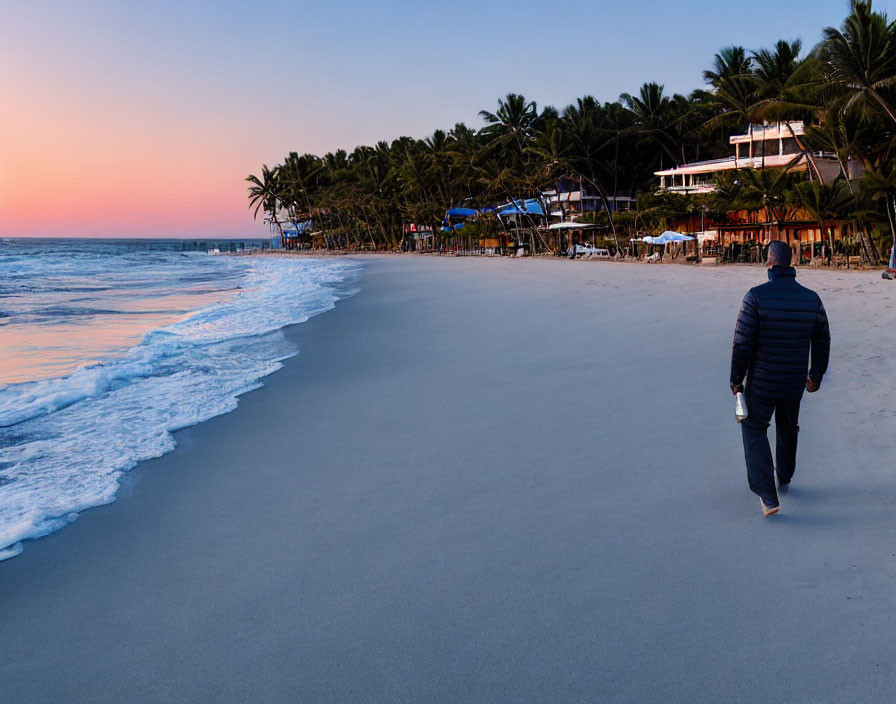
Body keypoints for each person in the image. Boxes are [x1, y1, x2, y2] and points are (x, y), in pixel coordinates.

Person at [730, 240, 831, 516]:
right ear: (790, 263)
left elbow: (742, 343)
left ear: (769, 264)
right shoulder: (812, 298)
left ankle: (768, 495)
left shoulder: (755, 296)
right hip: (793, 381)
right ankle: (784, 475)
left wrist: (736, 381)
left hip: (762, 381)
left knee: (754, 428)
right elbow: (822, 339)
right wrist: (815, 375)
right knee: (788, 426)